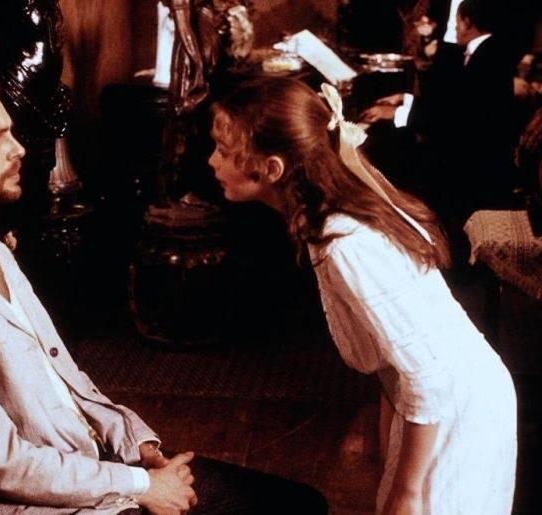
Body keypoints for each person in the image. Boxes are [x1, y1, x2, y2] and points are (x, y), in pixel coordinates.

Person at [0, 76, 328, 514]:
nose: (18, 149)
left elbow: (62, 380)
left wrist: (139, 447)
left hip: (95, 469)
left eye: (11, 134)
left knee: (296, 503)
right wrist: (141, 485)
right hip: (44, 505)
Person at [208, 76, 517, 514]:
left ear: (272, 168)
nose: (212, 161)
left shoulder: (346, 243)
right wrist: (388, 457)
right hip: (434, 405)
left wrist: (406, 491)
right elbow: (396, 361)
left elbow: (427, 377)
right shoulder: (327, 217)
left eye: (223, 151)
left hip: (455, 409)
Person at [361, 0, 518, 224]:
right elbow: (453, 104)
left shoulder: (486, 58)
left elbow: (452, 117)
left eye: (456, 22)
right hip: (470, 152)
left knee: (392, 160)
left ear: (468, 23)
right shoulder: (487, 50)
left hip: (474, 167)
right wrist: (406, 100)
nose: (453, 29)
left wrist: (396, 114)